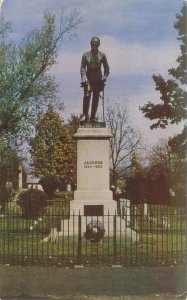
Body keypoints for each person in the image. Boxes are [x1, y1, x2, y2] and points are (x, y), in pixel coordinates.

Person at [80, 37, 109, 122]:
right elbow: (82, 67)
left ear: (98, 45)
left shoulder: (102, 55)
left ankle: (93, 117)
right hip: (88, 77)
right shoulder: (85, 55)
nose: (94, 46)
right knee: (87, 95)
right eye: (93, 44)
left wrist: (104, 77)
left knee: (96, 97)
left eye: (96, 44)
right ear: (90, 44)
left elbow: (107, 69)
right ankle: (85, 116)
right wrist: (84, 77)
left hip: (98, 78)